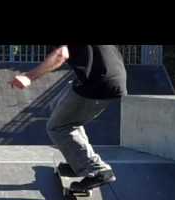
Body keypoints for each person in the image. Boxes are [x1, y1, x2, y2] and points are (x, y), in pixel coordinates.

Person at [9, 45, 127, 191]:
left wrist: (28, 76)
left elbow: (61, 54)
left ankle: (98, 170)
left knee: (58, 127)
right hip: (110, 77)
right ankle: (78, 162)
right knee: (64, 114)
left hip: (98, 83)